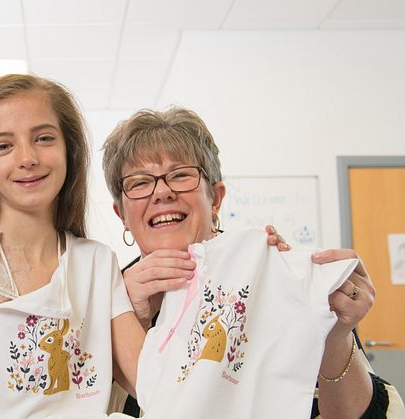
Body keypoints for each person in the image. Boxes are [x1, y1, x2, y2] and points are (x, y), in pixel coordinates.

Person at [102, 107, 404, 418]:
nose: (162, 192)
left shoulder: (272, 276)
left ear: (216, 198)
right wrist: (128, 314)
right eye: (139, 182)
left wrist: (337, 335)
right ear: (121, 214)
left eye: (181, 175)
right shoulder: (103, 299)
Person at [0, 74, 145, 419]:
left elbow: (155, 381)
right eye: (3, 146)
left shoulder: (97, 262)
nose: (28, 158)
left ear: (70, 150)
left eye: (44, 138)